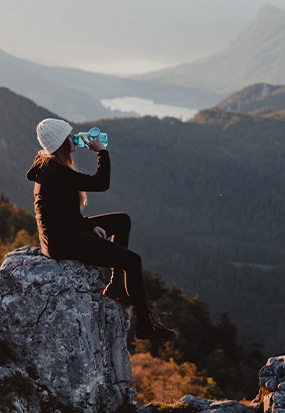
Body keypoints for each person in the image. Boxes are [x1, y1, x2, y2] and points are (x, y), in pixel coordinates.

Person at [26, 117, 178, 342]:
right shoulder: (56, 172)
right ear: (60, 142)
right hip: (63, 242)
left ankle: (116, 285)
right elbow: (100, 183)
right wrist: (101, 152)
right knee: (132, 261)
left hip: (65, 231)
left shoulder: (49, 166)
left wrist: (90, 225)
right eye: (70, 136)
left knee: (122, 221)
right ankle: (145, 324)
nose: (74, 137)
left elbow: (62, 211)